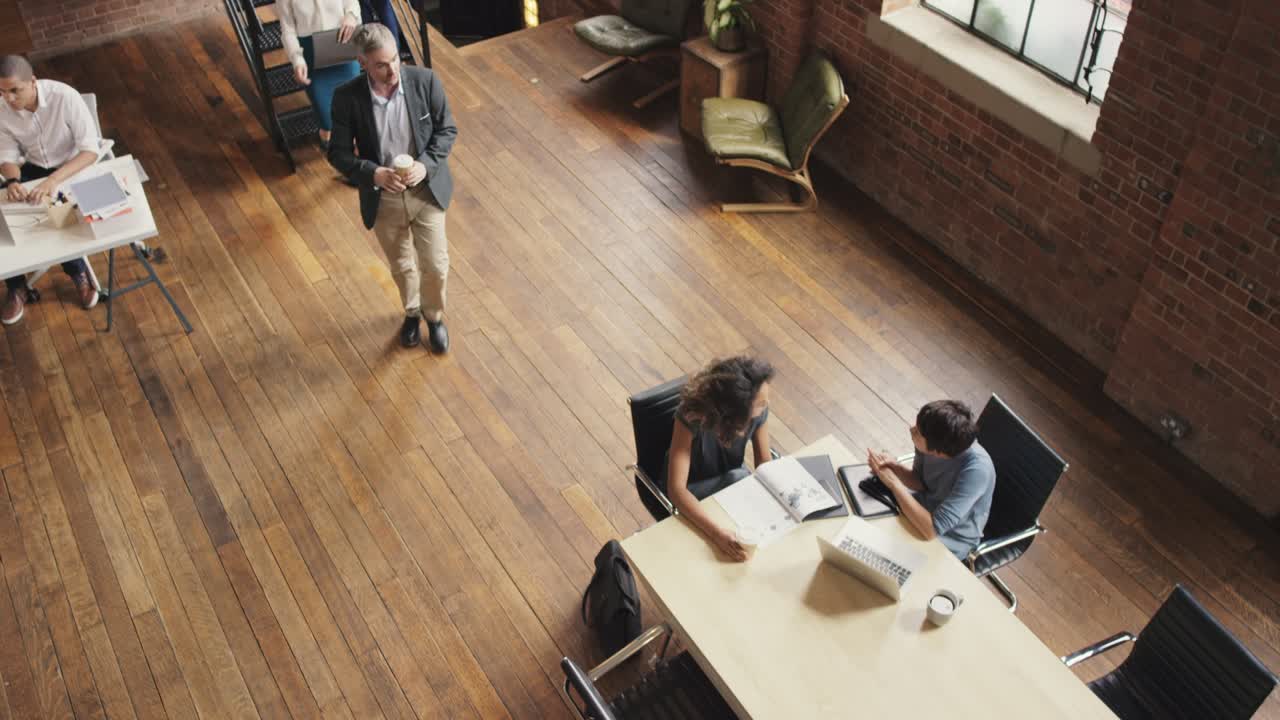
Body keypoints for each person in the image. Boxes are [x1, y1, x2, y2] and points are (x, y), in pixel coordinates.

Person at [328, 23, 457, 352]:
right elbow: (338, 153)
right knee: (401, 265)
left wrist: (424, 166)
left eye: (394, 61)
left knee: (436, 264)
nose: (392, 71)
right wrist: (373, 173)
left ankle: (435, 316)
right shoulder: (347, 98)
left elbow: (446, 131)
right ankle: (412, 313)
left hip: (425, 190)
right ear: (363, 63)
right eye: (381, 65)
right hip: (383, 196)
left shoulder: (425, 81)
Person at [0, 55, 101, 325]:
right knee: (4, 220)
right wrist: (12, 182)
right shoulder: (2, 108)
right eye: (2, 91)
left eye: (14, 90)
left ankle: (78, 272)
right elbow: (6, 154)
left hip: (71, 166)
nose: (8, 99)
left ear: (33, 82)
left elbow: (90, 150)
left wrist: (53, 181)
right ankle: (16, 286)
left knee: (61, 214)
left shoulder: (64, 97)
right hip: (32, 166)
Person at [666, 356, 775, 562]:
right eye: (760, 403)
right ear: (736, 411)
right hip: (693, 490)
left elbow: (764, 464)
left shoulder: (757, 414)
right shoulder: (691, 416)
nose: (767, 405)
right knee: (740, 477)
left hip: (728, 484)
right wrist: (716, 534)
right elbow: (677, 490)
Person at [867, 399, 996, 560]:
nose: (911, 429)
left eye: (918, 432)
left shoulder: (977, 470)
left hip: (949, 538)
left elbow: (931, 530)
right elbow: (920, 482)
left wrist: (893, 483)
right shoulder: (930, 443)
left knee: (882, 555)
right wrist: (895, 468)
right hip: (922, 510)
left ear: (938, 451)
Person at [278, 0, 363, 148]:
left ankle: (355, 152)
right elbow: (288, 31)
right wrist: (297, 60)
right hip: (311, 52)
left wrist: (351, 15)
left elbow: (352, 3)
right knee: (326, 119)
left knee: (353, 109)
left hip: (342, 43)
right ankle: (329, 141)